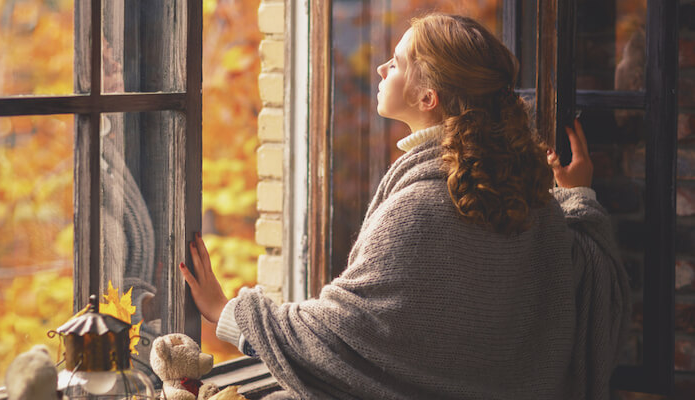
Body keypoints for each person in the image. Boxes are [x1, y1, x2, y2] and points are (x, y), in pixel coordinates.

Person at [180, 13, 630, 400]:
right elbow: (591, 292)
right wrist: (579, 197)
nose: (380, 68)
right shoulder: (535, 201)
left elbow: (344, 335)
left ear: (427, 98)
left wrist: (228, 313)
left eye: (395, 63)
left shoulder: (419, 210)